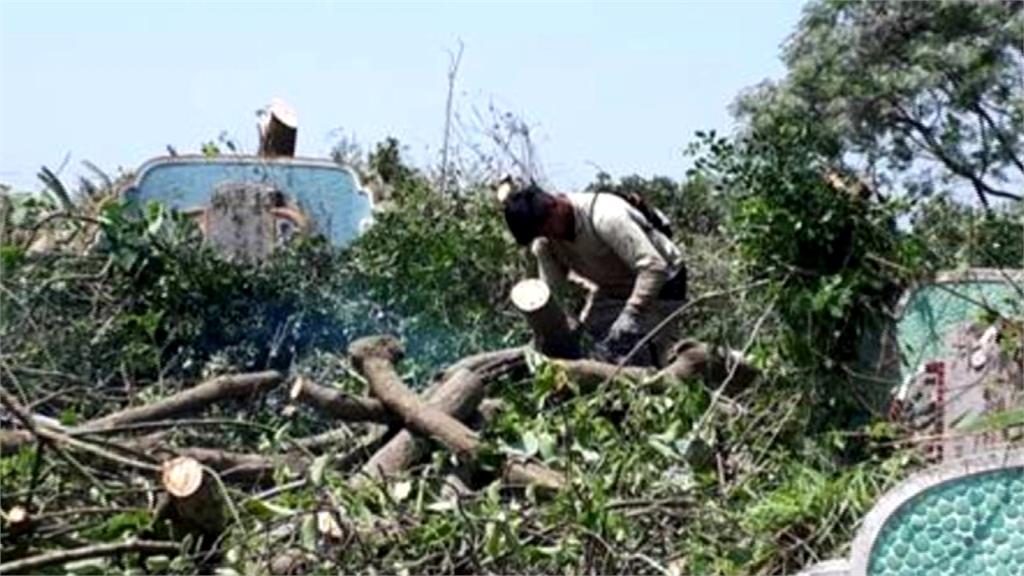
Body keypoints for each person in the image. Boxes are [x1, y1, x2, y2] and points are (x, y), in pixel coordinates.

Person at [502, 181, 686, 366]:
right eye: (540, 233)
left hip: (663, 282)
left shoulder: (606, 216)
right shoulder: (546, 242)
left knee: (648, 354)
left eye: (547, 229)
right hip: (612, 287)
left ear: (554, 206)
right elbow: (554, 292)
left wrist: (632, 313)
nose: (549, 236)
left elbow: (654, 267)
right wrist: (553, 327)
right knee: (592, 344)